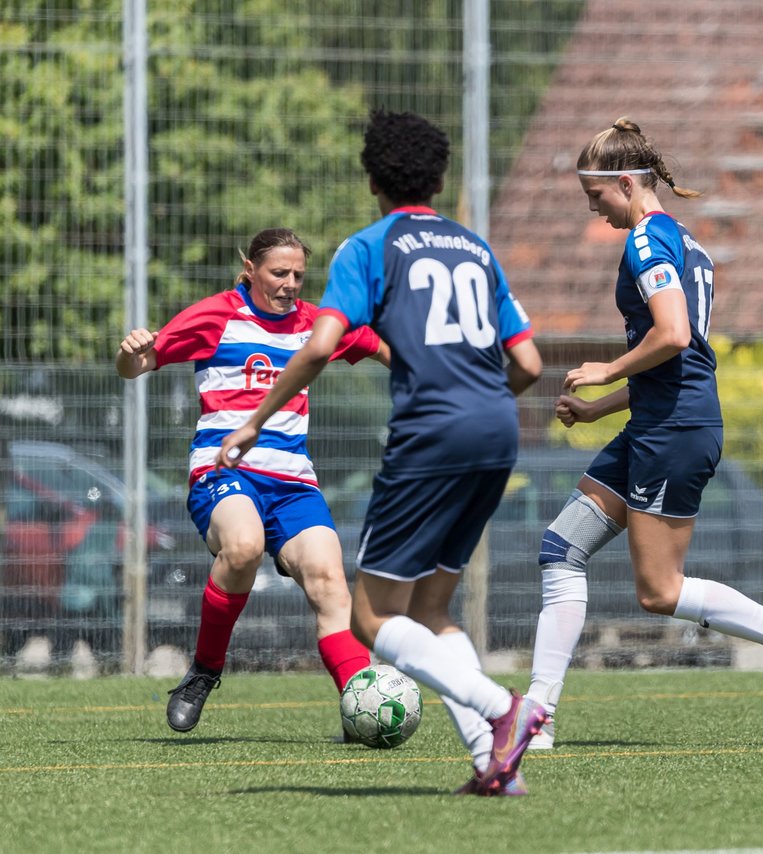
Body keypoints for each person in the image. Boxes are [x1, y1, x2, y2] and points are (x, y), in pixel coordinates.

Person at [216, 110, 547, 797]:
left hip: (432, 434)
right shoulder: (475, 248)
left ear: (372, 177)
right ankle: (496, 765)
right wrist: (482, 395)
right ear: (439, 176)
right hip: (498, 430)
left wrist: (253, 423)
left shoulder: (369, 247)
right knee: (432, 609)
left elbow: (318, 345)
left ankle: (503, 708)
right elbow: (530, 363)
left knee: (371, 616)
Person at [525, 118, 763, 750]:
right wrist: (604, 410)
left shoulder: (646, 244)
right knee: (559, 548)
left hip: (674, 432)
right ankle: (538, 713)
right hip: (662, 420)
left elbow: (674, 336)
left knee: (659, 591)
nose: (593, 211)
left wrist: (606, 370)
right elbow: (685, 361)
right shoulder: (686, 242)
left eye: (596, 197)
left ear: (625, 182)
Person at [115, 227, 387, 734]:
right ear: (251, 270)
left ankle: (361, 707)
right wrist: (130, 350)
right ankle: (204, 671)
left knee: (330, 582)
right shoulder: (217, 315)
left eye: (298, 276)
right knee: (242, 547)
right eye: (278, 273)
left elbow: (384, 349)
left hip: (293, 482)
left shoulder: (318, 324)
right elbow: (137, 365)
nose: (289, 284)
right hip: (224, 469)